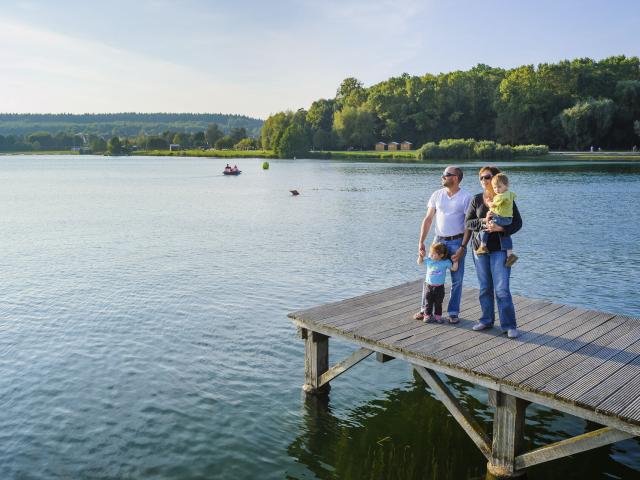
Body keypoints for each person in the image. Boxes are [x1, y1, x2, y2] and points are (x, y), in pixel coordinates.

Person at [465, 166, 522, 338]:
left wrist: (500, 228)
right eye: (481, 178)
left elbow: (517, 223)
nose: (484, 180)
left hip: (500, 249)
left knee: (502, 289)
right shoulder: (476, 199)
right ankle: (486, 320)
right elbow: (468, 223)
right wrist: (484, 222)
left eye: (487, 177)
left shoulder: (506, 199)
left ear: (496, 178)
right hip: (480, 250)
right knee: (484, 288)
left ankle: (509, 325)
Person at [416, 166, 472, 324]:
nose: (442, 177)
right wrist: (421, 242)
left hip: (457, 241)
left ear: (455, 178)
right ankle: (424, 310)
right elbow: (428, 219)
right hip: (438, 241)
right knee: (429, 277)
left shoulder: (466, 197)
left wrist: (462, 247)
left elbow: (469, 225)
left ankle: (453, 313)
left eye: (446, 175)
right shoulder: (437, 194)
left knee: (457, 279)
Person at [476, 173, 518, 267]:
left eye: (499, 187)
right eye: (495, 187)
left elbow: (494, 205)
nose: (497, 190)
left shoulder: (501, 196)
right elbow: (500, 208)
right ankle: (510, 255)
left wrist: (488, 202)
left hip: (503, 219)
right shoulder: (509, 194)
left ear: (506, 186)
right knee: (506, 235)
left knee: (486, 226)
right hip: (506, 218)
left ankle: (482, 245)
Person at [416, 242, 459, 323]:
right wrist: (421, 256)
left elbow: (454, 269)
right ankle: (427, 316)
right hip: (429, 286)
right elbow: (419, 262)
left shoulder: (445, 262)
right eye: (430, 253)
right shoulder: (429, 260)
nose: (431, 255)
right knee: (428, 302)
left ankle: (438, 317)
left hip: (440, 287)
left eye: (433, 254)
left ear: (441, 255)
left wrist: (456, 262)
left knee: (438, 303)